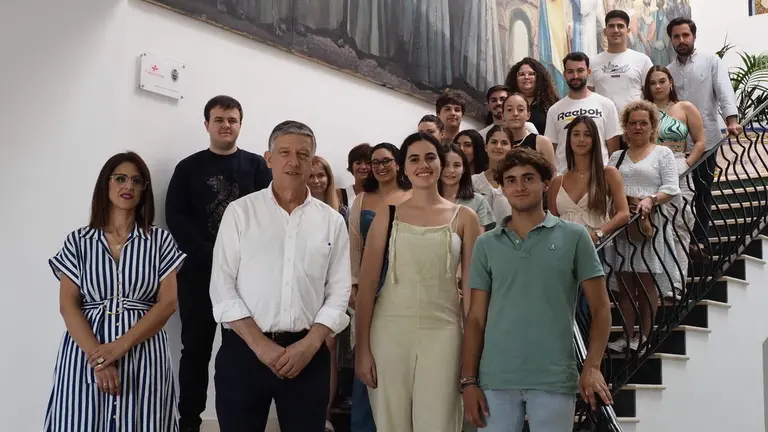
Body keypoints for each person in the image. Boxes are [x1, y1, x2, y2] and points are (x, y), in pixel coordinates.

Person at [209, 120, 351, 431]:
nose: (294, 160)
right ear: (268, 159)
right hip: (245, 351)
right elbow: (222, 286)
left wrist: (310, 345)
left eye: (303, 154)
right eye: (284, 152)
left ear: (313, 161)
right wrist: (260, 345)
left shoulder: (332, 222)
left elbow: (339, 292)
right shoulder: (240, 212)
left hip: (307, 355)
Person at [461, 147, 613, 431]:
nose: (519, 186)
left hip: (554, 378)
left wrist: (592, 367)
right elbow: (476, 318)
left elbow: (601, 308)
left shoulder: (575, 236)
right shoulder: (486, 244)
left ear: (545, 184)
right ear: (502, 187)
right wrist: (469, 380)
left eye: (528, 178)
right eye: (511, 180)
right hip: (496, 377)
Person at [45, 152, 186, 431]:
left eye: (136, 181)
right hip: (85, 354)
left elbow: (168, 303)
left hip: (144, 355)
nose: (129, 186)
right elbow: (68, 305)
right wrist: (99, 359)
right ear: (105, 184)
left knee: (145, 422)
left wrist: (119, 347)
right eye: (120, 178)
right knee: (79, 421)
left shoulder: (159, 241)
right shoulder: (78, 241)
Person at [356, 132, 481, 432]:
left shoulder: (465, 217)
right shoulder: (389, 212)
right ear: (403, 166)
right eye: (414, 158)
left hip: (445, 333)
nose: (423, 165)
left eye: (430, 157)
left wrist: (473, 360)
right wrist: (362, 348)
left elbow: (473, 294)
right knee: (391, 424)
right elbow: (368, 285)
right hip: (389, 332)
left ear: (441, 162)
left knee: (439, 423)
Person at [166, 95, 272, 432]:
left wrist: (239, 261)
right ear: (207, 124)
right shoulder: (188, 168)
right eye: (219, 119)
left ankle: (238, 422)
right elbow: (176, 219)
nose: (226, 125)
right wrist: (214, 257)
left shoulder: (257, 167)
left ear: (240, 124)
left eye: (232, 120)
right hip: (199, 277)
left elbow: (267, 218)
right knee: (195, 351)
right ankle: (189, 422)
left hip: (247, 279)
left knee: (239, 354)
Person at [606, 101, 681, 353]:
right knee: (625, 282)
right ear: (625, 128)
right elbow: (608, 188)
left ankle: (646, 335)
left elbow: (671, 187)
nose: (637, 127)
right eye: (632, 123)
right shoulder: (617, 157)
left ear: (652, 127)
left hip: (651, 223)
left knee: (646, 283)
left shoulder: (663, 153)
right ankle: (627, 337)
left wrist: (651, 199)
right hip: (623, 225)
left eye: (643, 123)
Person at [348, 142, 411, 432]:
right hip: (369, 287)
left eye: (386, 161)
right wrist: (354, 285)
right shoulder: (362, 199)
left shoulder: (412, 197)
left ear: (398, 163)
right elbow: (354, 246)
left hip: (403, 285)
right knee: (368, 356)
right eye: (375, 162)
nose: (381, 167)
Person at [666, 17, 741, 255]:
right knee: (677, 190)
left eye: (685, 35)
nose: (681, 40)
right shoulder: (667, 71)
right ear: (671, 40)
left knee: (702, 188)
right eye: (676, 36)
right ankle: (678, 237)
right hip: (676, 143)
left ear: (694, 36)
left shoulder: (711, 62)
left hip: (706, 139)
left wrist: (731, 120)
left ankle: (700, 239)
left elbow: (724, 89)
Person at [645, 65, 706, 296]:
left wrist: (687, 163)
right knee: (659, 227)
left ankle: (677, 283)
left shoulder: (685, 107)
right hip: (652, 169)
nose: (658, 86)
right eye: (653, 82)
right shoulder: (644, 110)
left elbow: (700, 141)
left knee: (681, 224)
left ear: (670, 82)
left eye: (662, 81)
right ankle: (658, 285)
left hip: (680, 165)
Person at [309, 155, 349, 432]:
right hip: (305, 291)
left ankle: (324, 415)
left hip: (331, 292)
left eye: (321, 175)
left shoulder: (340, 214)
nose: (316, 180)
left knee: (330, 348)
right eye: (311, 175)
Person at [548, 115, 630, 244]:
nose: (581, 139)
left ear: (594, 140)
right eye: (576, 134)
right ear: (569, 139)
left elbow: (624, 213)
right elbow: (551, 222)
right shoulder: (558, 181)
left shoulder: (608, 173)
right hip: (565, 249)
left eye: (587, 135)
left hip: (597, 247)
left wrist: (599, 233)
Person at [545, 52, 622, 175]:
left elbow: (614, 151)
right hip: (565, 177)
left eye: (580, 70)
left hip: (599, 176)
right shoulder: (554, 110)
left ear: (589, 72)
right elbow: (550, 150)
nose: (575, 75)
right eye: (570, 71)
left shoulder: (606, 105)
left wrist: (609, 178)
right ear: (565, 75)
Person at [588, 10, 654, 115]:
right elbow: (588, 96)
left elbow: (651, 95)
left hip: (634, 125)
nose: (615, 30)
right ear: (605, 31)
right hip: (604, 123)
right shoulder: (592, 62)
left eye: (620, 26)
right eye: (611, 26)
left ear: (628, 30)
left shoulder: (643, 60)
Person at [440, 143, 496, 231]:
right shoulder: (426, 200)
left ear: (464, 169)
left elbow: (479, 242)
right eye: (446, 165)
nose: (451, 170)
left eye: (457, 165)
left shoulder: (478, 201)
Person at [504, 58, 560, 135]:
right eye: (521, 74)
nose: (526, 77)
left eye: (531, 74)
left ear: (539, 78)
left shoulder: (552, 104)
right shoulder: (505, 102)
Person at [502, 93, 557, 168]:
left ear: (528, 115)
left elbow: (553, 176)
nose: (515, 113)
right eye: (509, 110)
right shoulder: (498, 144)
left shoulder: (542, 143)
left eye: (520, 109)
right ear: (502, 116)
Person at [472, 125, 513, 224]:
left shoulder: (516, 182)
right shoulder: (472, 182)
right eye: (494, 142)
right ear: (486, 147)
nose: (498, 147)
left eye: (504, 143)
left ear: (512, 148)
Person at [338, 143, 372, 208]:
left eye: (368, 163)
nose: (363, 167)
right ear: (351, 166)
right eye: (358, 163)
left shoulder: (382, 193)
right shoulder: (340, 194)